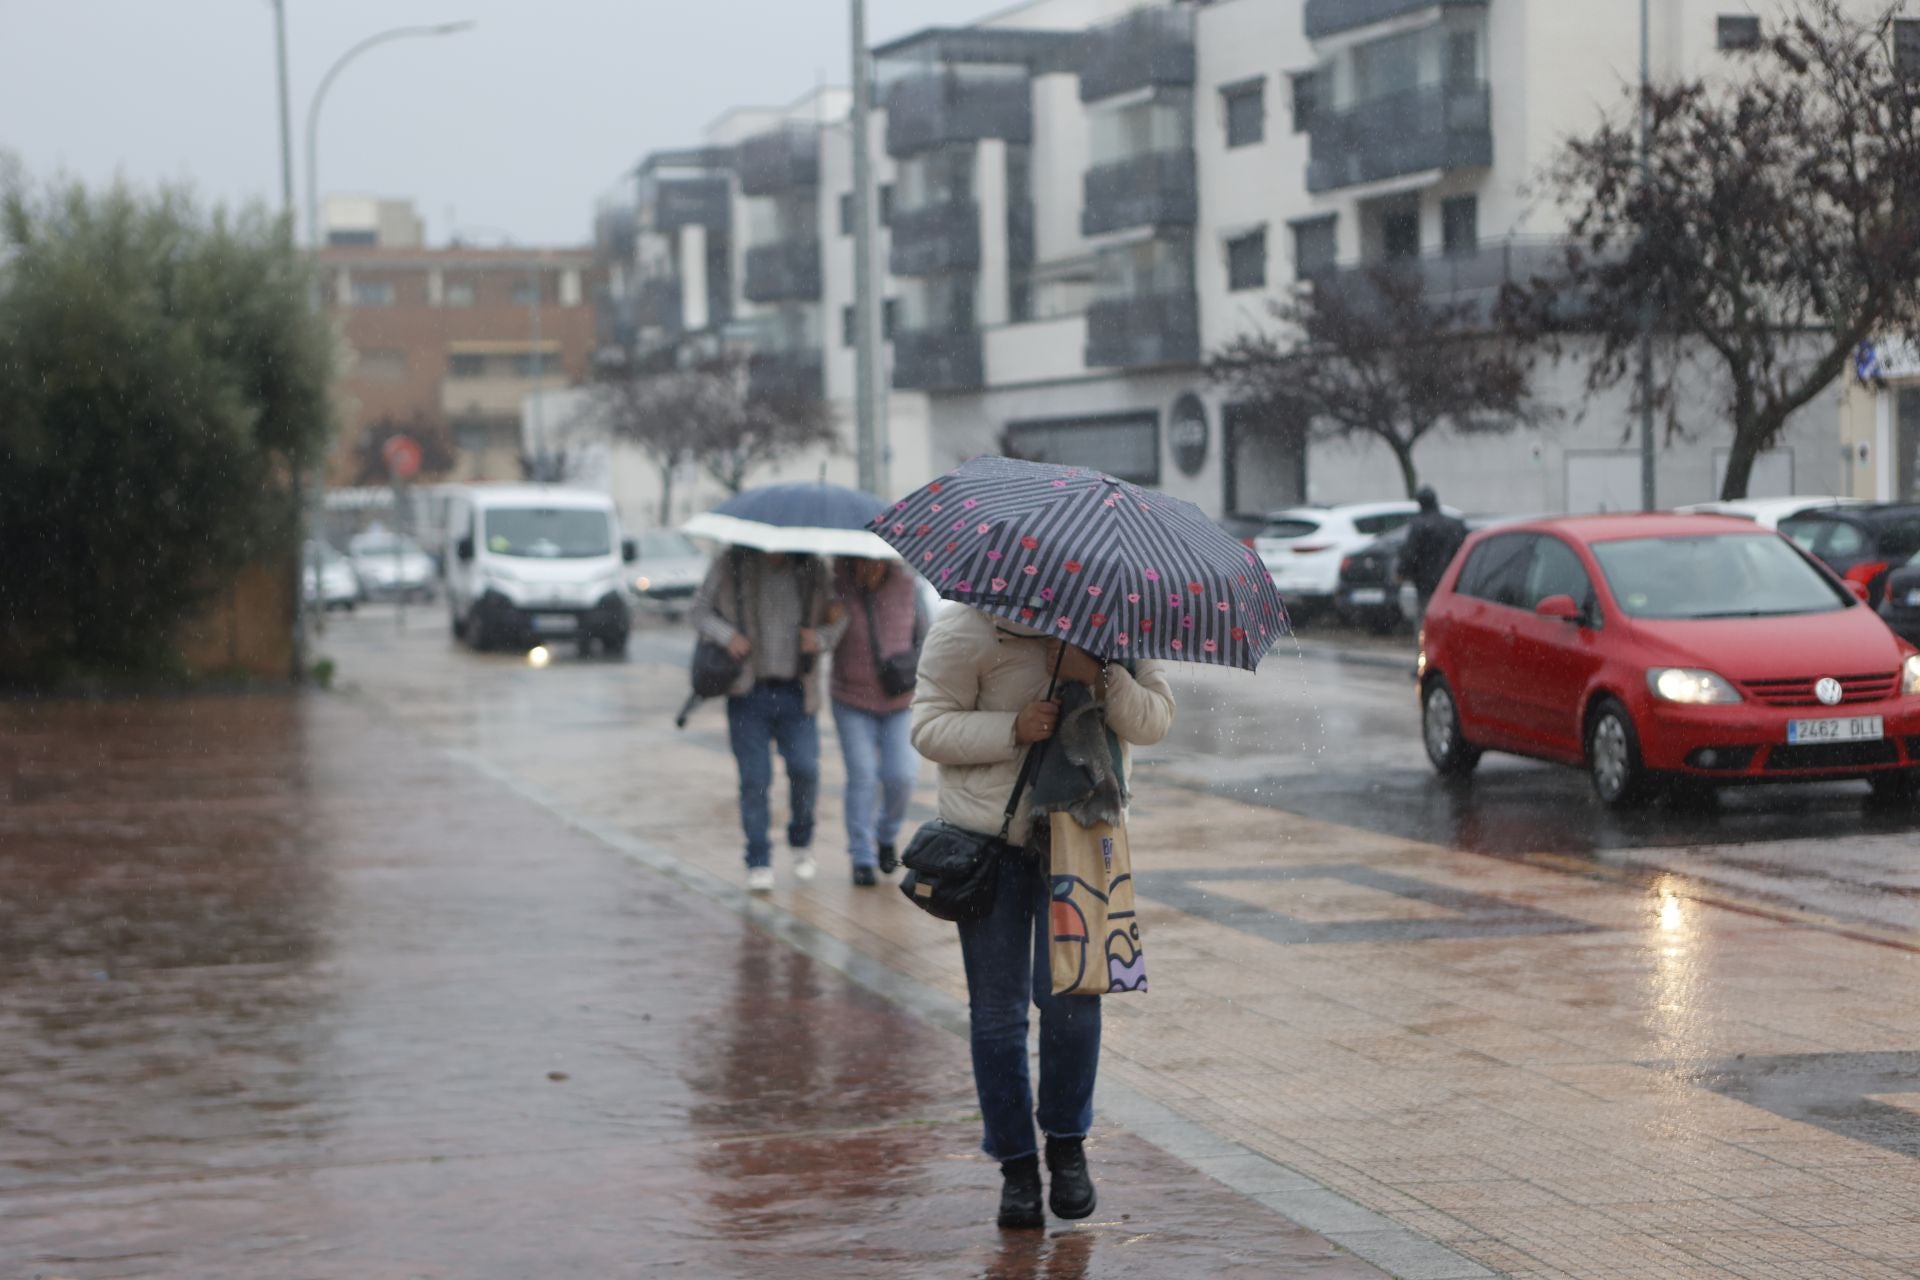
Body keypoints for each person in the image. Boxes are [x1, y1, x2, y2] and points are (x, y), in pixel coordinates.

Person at [911, 607, 1175, 1230]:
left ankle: (1067, 1143)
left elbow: (1156, 721)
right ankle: (1016, 1166)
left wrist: (1101, 675)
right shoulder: (967, 628)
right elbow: (928, 727)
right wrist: (1013, 728)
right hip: (992, 842)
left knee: (1073, 1000)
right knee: (999, 1017)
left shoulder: (1123, 625)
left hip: (1082, 836)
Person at [692, 549, 845, 893]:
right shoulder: (730, 563)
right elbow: (699, 611)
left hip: (797, 691)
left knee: (806, 769)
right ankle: (758, 858)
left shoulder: (812, 567)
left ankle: (801, 839)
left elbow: (839, 616)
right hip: (748, 692)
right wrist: (726, 635)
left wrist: (820, 638)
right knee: (754, 779)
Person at [829, 557, 925, 888]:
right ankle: (861, 856)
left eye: (876, 563)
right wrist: (830, 620)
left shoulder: (907, 585)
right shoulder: (835, 586)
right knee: (863, 776)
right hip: (851, 699)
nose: (869, 568)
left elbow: (925, 639)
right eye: (862, 563)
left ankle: (886, 833)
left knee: (902, 775)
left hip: (900, 699)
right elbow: (821, 639)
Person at [1399, 486, 1469, 628]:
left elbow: (1410, 554)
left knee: (1425, 621)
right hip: (1451, 582)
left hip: (1426, 583)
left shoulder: (1418, 526)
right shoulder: (1453, 525)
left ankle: (1425, 649)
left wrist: (1403, 572)